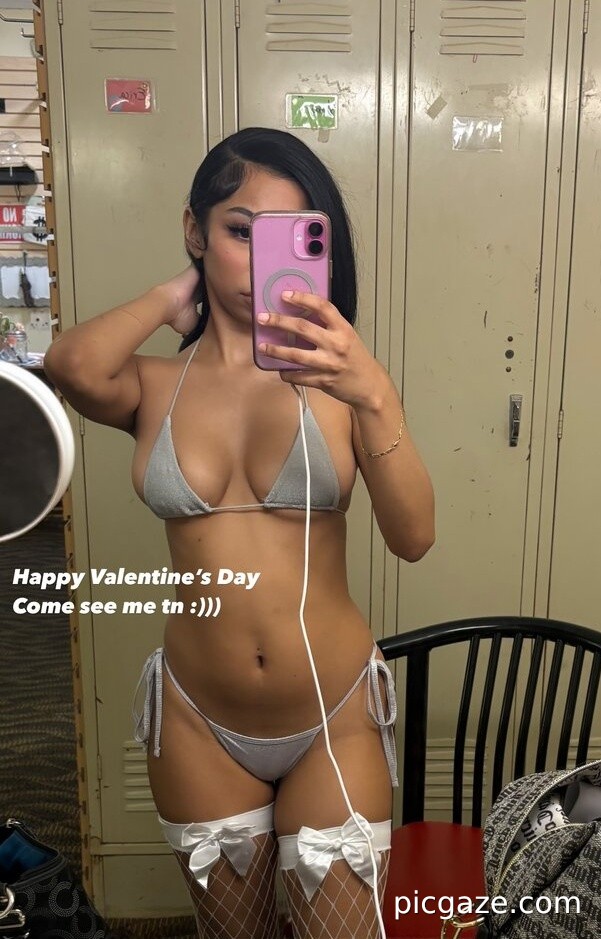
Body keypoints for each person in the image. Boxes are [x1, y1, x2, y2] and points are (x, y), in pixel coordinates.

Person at [44, 127, 435, 939]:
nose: (260, 260)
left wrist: (374, 393)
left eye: (287, 235)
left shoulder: (341, 380)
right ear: (195, 229)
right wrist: (170, 298)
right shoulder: (155, 384)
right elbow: (71, 364)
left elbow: (414, 536)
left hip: (334, 713)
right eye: (239, 230)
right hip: (198, 720)